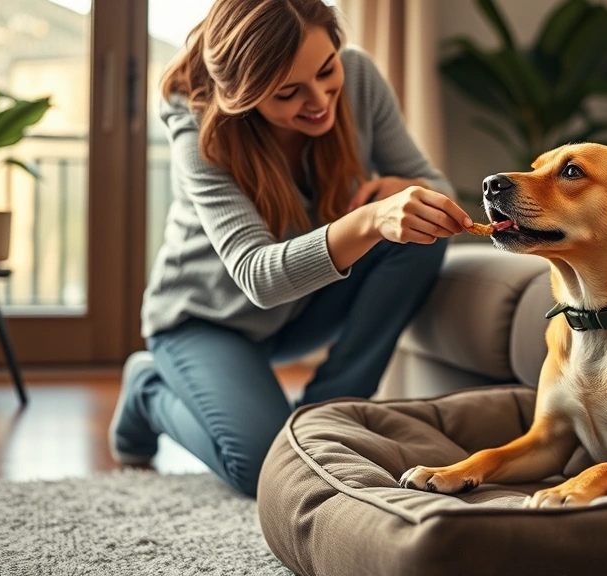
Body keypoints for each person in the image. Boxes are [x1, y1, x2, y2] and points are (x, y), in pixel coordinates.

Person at [109, 0, 473, 497]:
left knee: (417, 235)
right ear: (242, 94)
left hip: (303, 310)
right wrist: (367, 219)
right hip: (205, 320)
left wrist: (398, 190)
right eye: (287, 92)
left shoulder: (359, 76)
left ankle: (326, 416)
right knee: (264, 468)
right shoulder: (195, 119)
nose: (320, 98)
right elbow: (259, 278)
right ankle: (146, 390)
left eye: (327, 71)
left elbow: (437, 192)